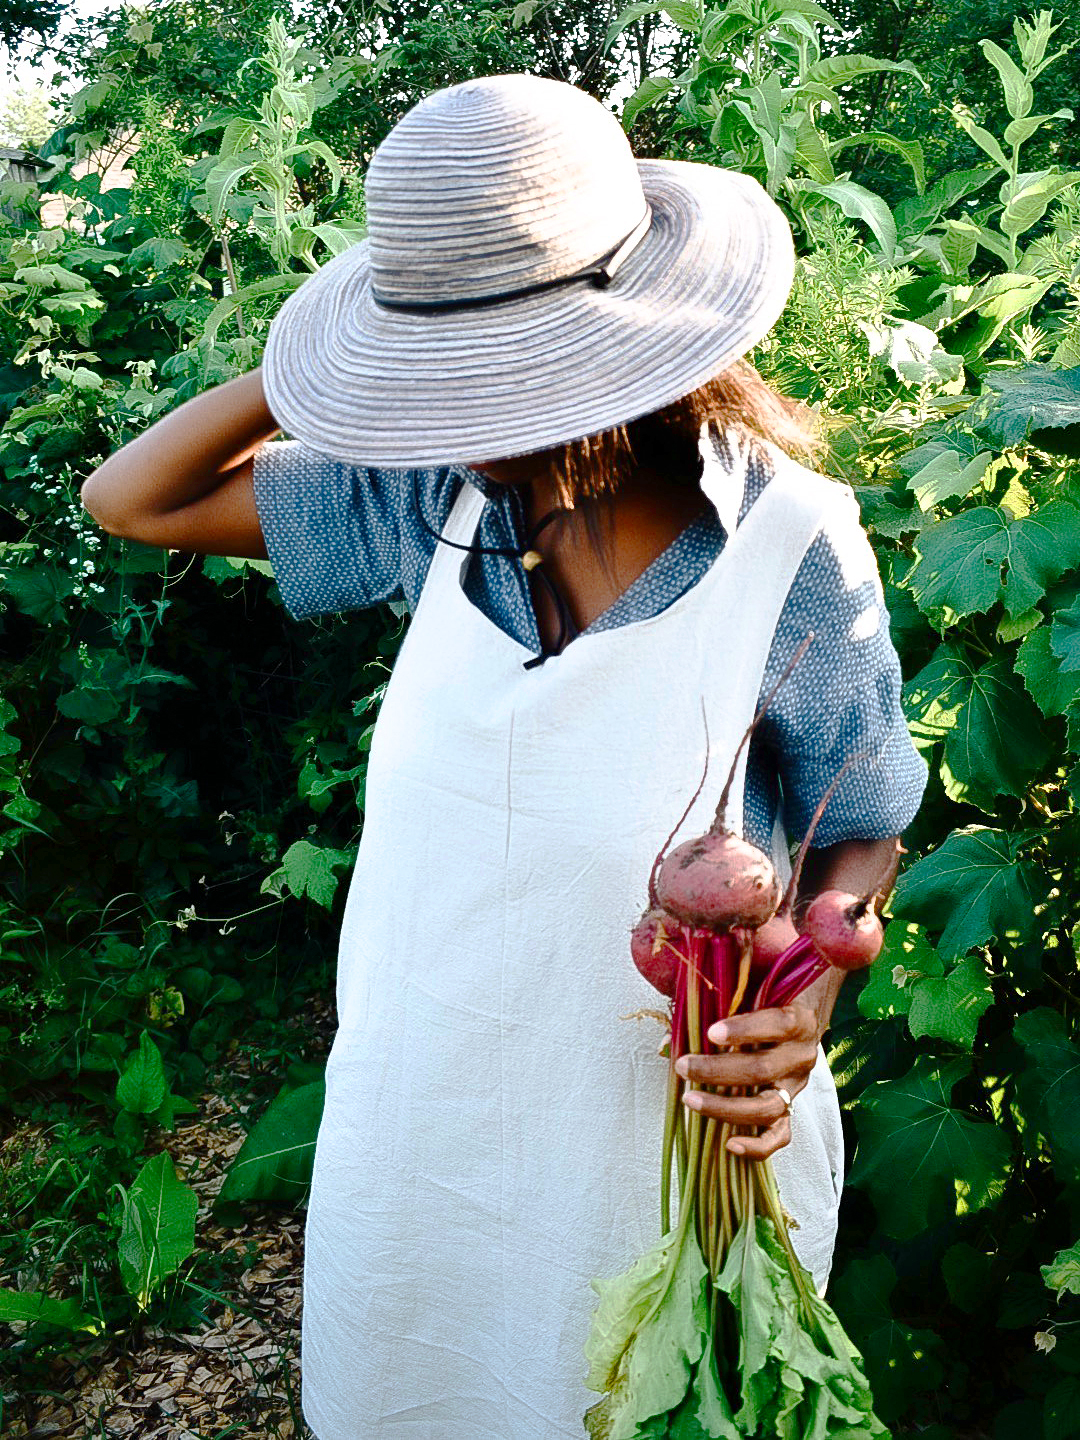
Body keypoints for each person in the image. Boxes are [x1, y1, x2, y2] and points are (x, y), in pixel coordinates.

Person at [82, 73, 926, 1440]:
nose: (454, 408)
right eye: (431, 369)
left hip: (663, 1156)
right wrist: (336, 360)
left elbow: (872, 819)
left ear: (627, 336)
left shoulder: (789, 545)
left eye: (482, 367)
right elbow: (133, 500)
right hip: (424, 1142)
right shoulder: (424, 498)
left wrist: (811, 1000)